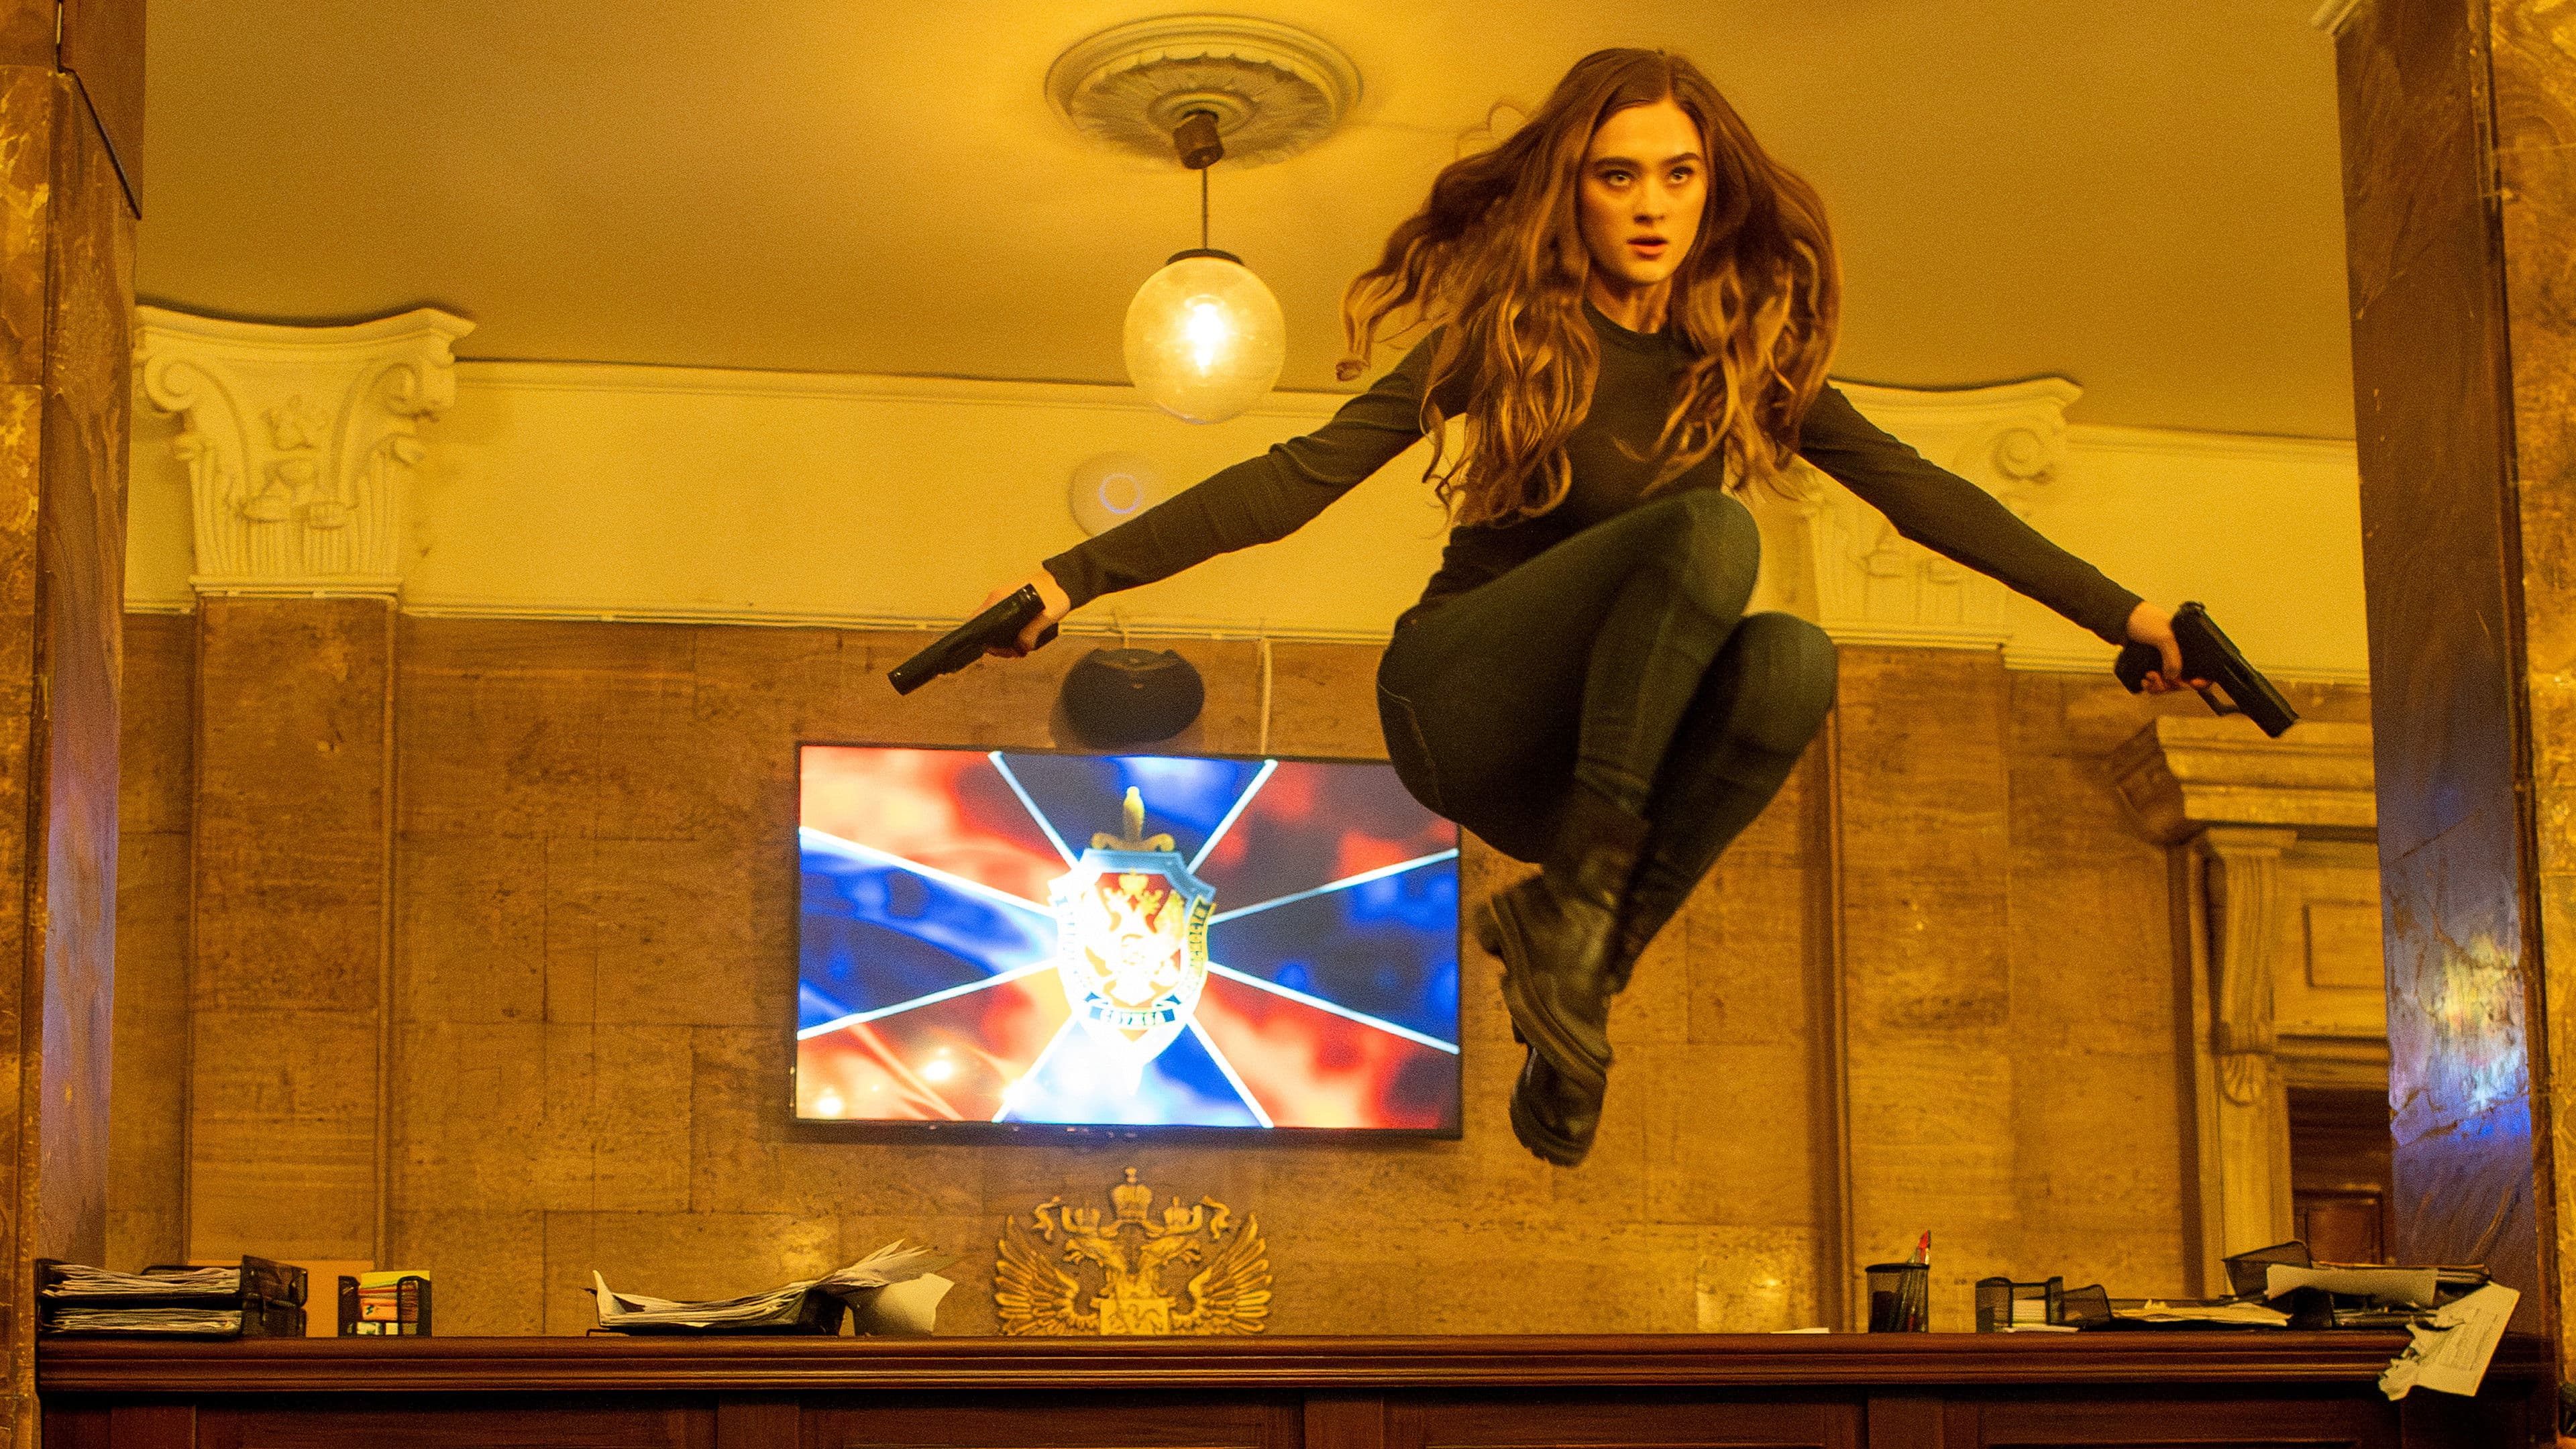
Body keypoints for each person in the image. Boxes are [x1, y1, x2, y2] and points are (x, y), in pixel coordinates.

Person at [977, 48, 2199, 1167]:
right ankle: (1576, 918)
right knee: (1712, 530)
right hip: (1463, 704)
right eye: (1620, 177)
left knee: (1792, 660)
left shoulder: (1745, 358)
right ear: (1576, 194)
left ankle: (1576, 986)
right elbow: (1298, 477)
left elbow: (1925, 495)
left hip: (1578, 774)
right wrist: (1070, 577)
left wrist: (2126, 615)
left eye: (1679, 174)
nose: (1652, 205)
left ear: (1714, 190)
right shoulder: (1508, 336)